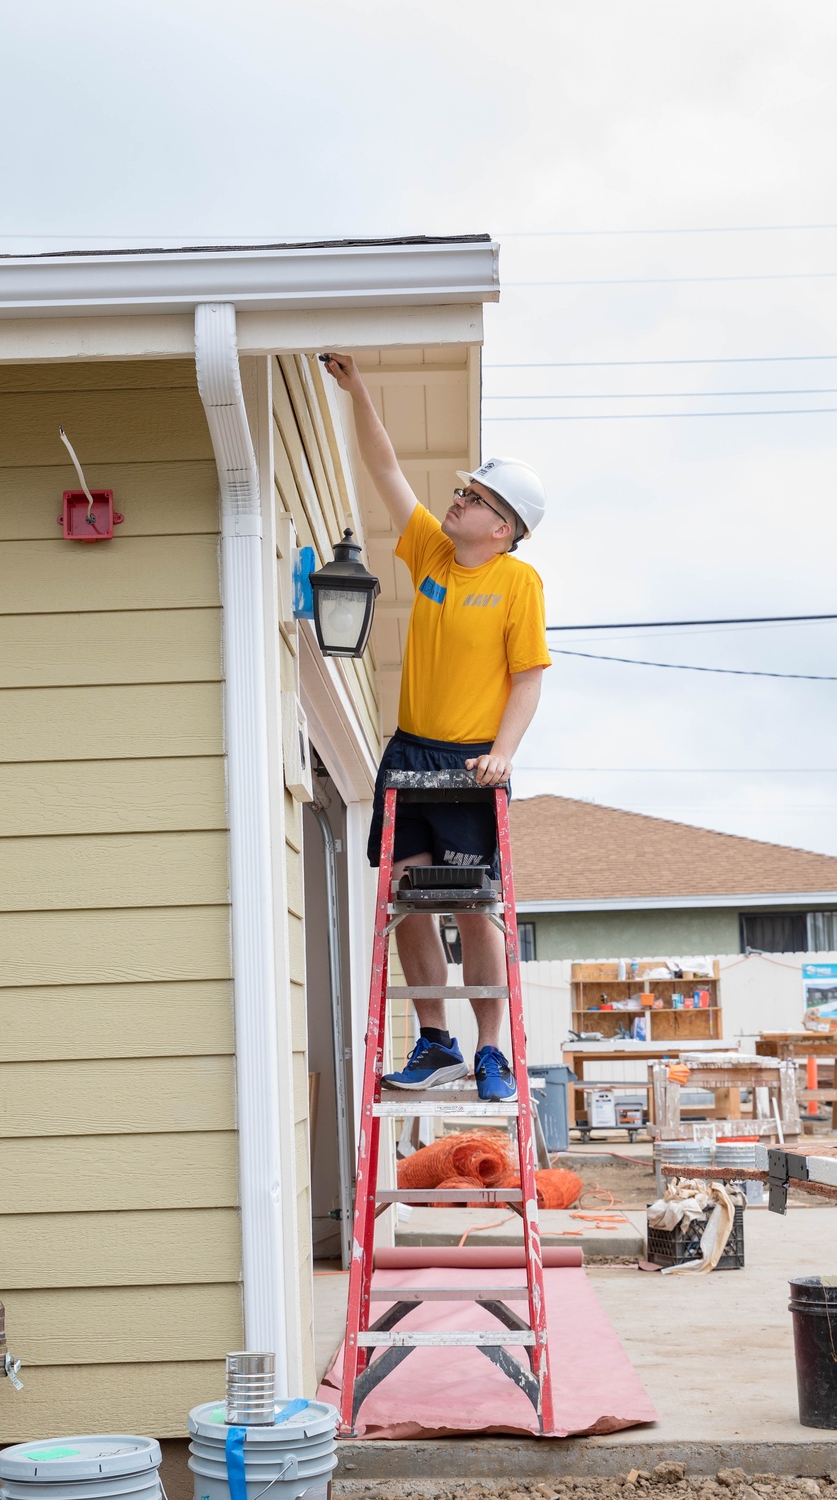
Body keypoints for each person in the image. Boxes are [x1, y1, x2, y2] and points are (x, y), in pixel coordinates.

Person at [321, 352, 551, 1103]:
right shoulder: (431, 554)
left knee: (472, 905)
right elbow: (384, 469)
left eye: (476, 496)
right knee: (407, 894)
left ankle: (491, 1051)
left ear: (505, 527)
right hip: (410, 751)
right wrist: (358, 391)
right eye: (462, 489)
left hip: (469, 764)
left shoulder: (517, 582)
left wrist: (502, 755)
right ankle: (435, 1041)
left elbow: (528, 678)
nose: (458, 500)